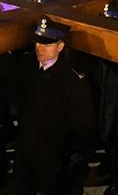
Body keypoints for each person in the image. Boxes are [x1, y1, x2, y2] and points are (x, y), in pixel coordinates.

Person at [14, 18, 96, 195]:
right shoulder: (27, 68)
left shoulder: (73, 81)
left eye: (47, 44)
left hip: (55, 157)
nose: (40, 48)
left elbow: (82, 124)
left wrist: (73, 158)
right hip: (27, 152)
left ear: (60, 46)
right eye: (38, 43)